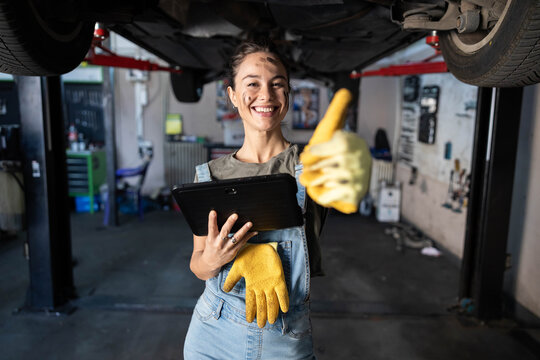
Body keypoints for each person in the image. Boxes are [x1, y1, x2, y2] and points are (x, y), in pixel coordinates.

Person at [183, 40, 371, 359]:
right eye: (252, 83)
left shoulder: (311, 165)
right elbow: (198, 266)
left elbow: (337, 183)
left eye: (277, 84)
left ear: (288, 95)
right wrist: (216, 259)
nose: (266, 95)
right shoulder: (209, 177)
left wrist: (352, 165)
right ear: (231, 95)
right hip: (212, 332)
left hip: (284, 339)